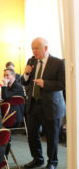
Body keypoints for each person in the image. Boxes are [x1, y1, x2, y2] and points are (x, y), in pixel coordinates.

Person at [21, 37, 65, 169]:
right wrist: (26, 74)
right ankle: (37, 159)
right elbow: (24, 82)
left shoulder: (58, 63)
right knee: (32, 135)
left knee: (52, 136)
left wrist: (46, 84)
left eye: (36, 48)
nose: (34, 51)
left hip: (51, 106)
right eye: (32, 48)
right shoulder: (31, 61)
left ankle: (52, 162)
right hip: (33, 105)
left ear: (45, 48)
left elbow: (62, 84)